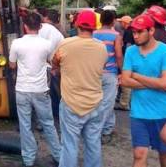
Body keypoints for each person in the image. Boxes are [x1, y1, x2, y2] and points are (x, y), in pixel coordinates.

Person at [52, 10, 108, 167]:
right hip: (95, 102)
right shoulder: (102, 47)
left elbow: (55, 63)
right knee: (93, 144)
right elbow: (101, 66)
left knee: (69, 145)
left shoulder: (65, 44)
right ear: (94, 27)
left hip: (71, 103)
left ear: (76, 24)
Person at [121, 14, 166, 167]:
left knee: (164, 153)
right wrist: (157, 83)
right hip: (139, 113)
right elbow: (125, 80)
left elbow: (165, 81)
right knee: (139, 154)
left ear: (151, 31)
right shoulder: (131, 51)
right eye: (133, 32)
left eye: (139, 32)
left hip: (163, 112)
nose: (135, 36)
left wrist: (136, 75)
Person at [9, 13, 61, 167]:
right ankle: (58, 156)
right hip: (41, 90)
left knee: (25, 126)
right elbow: (51, 61)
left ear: (25, 26)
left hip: (22, 90)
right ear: (40, 27)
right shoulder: (47, 44)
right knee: (48, 124)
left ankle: (29, 159)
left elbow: (12, 65)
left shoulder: (16, 43)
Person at [93, 10, 123, 144]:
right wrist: (122, 70)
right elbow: (118, 54)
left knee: (97, 102)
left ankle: (107, 128)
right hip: (110, 72)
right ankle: (101, 131)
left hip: (95, 72)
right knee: (108, 102)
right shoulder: (116, 35)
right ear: (113, 20)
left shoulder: (93, 34)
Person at [37, 8, 64, 119]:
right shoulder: (59, 34)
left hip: (38, 66)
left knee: (41, 95)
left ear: (46, 18)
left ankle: (42, 118)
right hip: (53, 67)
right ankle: (56, 115)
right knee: (55, 93)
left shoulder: (39, 28)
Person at [115, 15, 134, 111]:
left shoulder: (128, 31)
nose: (120, 24)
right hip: (132, 57)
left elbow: (128, 45)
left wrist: (125, 58)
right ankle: (126, 101)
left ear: (125, 23)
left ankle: (124, 103)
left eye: (121, 22)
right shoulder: (133, 30)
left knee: (126, 79)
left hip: (128, 57)